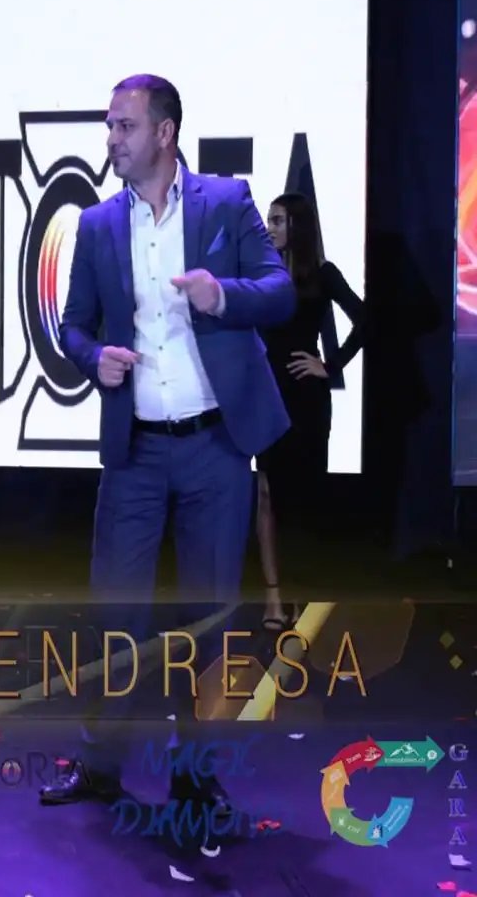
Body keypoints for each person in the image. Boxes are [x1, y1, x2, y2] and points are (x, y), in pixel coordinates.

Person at [38, 74, 295, 814]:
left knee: (210, 617)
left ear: (164, 132)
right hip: (138, 452)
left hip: (216, 447)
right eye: (109, 126)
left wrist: (224, 295)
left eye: (123, 126)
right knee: (119, 614)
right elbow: (71, 325)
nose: (111, 139)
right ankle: (100, 765)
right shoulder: (97, 225)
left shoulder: (226, 201)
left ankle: (195, 773)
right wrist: (95, 359)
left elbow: (280, 290)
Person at [257, 192, 364, 628]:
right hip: (267, 394)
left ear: (297, 225)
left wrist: (330, 365)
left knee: (303, 499)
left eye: (277, 220)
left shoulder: (322, 274)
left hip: (305, 399)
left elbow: (365, 319)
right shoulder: (261, 273)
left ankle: (302, 594)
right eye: (268, 220)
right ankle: (273, 599)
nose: (269, 228)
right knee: (267, 493)